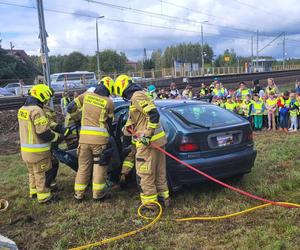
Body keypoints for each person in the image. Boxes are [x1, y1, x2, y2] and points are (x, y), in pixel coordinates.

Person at [114, 75, 170, 208]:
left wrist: (147, 135)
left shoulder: (136, 96)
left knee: (145, 174)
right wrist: (128, 126)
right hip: (158, 141)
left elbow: (154, 115)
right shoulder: (140, 95)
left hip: (148, 143)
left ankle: (150, 205)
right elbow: (140, 117)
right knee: (159, 173)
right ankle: (164, 199)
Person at [67, 76, 115, 201]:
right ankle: (98, 195)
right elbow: (110, 122)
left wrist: (78, 118)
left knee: (83, 166)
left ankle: (78, 195)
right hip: (99, 141)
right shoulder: (109, 102)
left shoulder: (86, 96)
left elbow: (69, 108)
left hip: (83, 140)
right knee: (99, 166)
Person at [17, 84, 62, 203]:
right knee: (41, 173)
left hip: (26, 151)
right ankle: (44, 197)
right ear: (41, 96)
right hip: (38, 152)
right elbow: (43, 133)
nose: (46, 101)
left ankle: (33, 192)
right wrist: (57, 137)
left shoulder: (22, 109)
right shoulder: (37, 111)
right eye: (46, 99)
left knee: (32, 172)